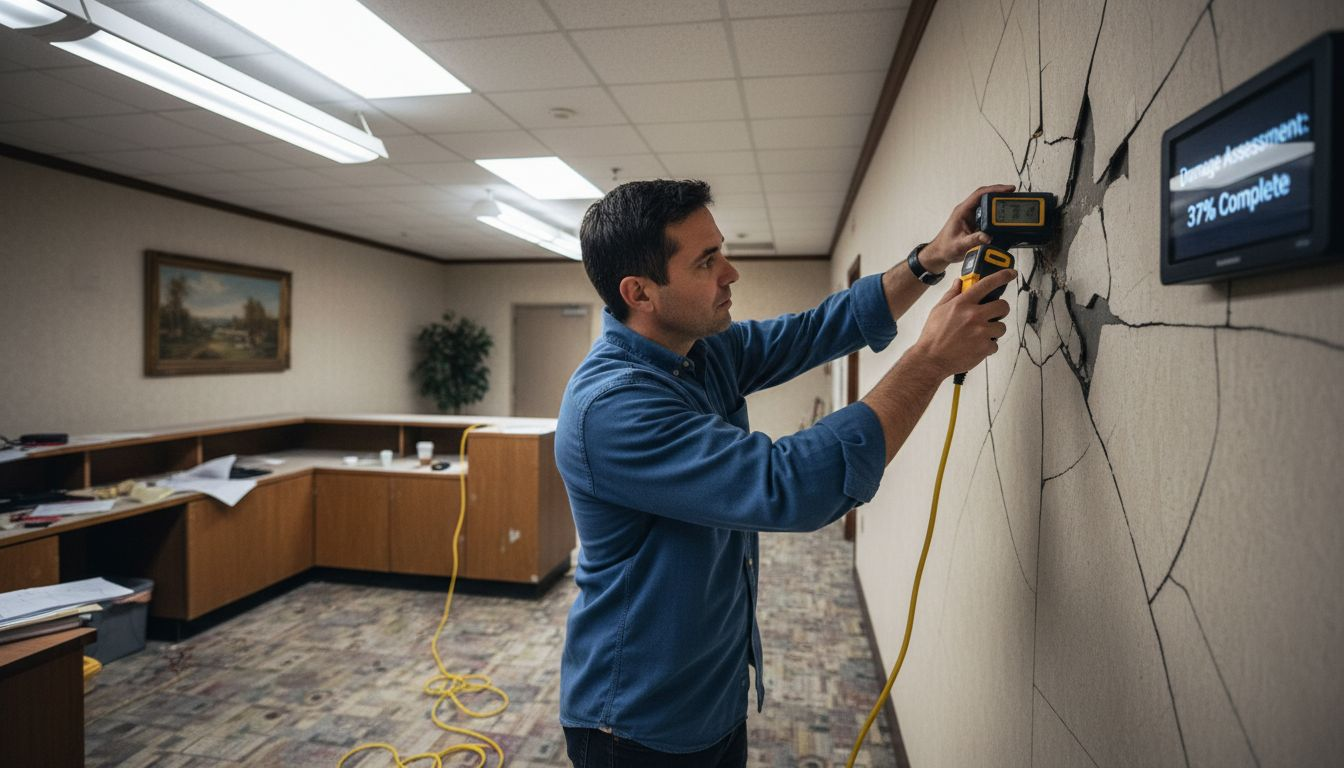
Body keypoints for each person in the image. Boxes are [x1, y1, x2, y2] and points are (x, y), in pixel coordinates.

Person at [555, 179, 1017, 767]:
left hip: (712, 690)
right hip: (635, 721)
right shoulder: (612, 408)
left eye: (720, 251)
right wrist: (928, 361)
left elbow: (812, 331)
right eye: (706, 261)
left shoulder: (697, 350)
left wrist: (926, 261)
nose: (731, 273)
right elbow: (788, 486)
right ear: (639, 292)